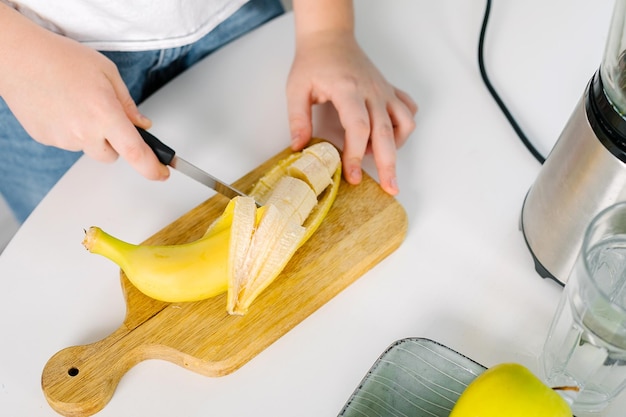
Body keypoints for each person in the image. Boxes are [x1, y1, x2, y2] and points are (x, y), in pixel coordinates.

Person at [0, 0, 417, 224]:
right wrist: (14, 55)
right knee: (63, 239)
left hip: (235, 16)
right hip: (41, 61)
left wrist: (328, 29)